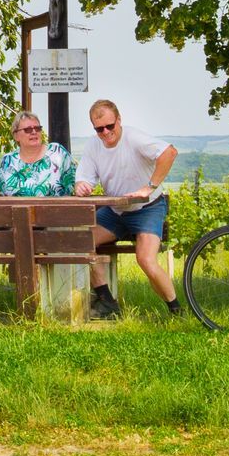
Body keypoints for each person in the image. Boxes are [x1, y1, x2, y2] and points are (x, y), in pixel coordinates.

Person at [74, 99, 181, 318]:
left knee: (145, 259)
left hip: (148, 208)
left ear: (119, 121)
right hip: (115, 211)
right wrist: (82, 185)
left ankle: (176, 310)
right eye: (99, 129)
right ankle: (107, 302)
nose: (105, 132)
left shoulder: (134, 138)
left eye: (109, 126)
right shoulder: (93, 145)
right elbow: (83, 178)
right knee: (81, 242)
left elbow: (169, 153)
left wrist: (149, 187)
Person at [0, 112, 76, 196]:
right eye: (28, 130)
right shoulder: (7, 161)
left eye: (37, 128)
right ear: (16, 136)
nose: (33, 132)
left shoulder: (57, 152)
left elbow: (78, 182)